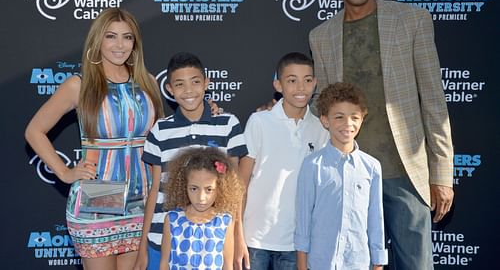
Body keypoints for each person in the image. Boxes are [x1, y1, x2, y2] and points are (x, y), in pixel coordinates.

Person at [308, 0, 454, 269]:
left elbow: (434, 101)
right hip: (351, 175)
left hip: (405, 172)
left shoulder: (411, 20)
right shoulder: (321, 36)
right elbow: (322, 104)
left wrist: (442, 173)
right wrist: (276, 109)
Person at [25, 8, 165, 269]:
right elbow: (34, 131)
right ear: (98, 40)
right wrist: (65, 173)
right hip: (100, 194)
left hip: (144, 198)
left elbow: (163, 138)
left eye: (127, 37)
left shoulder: (149, 84)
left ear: (135, 43)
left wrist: (208, 112)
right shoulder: (80, 85)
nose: (120, 45)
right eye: (111, 36)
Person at [134, 52, 248, 270]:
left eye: (195, 82)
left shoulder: (228, 124)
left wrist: (238, 236)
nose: (188, 91)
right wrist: (142, 248)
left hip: (213, 245)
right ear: (169, 89)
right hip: (161, 242)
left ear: (206, 83)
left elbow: (233, 190)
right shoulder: (160, 130)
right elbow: (155, 189)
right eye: (179, 84)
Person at [239, 52, 329, 269]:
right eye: (292, 80)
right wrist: (236, 233)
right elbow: (241, 182)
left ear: (315, 84)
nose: (300, 88)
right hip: (255, 239)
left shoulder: (321, 128)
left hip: (297, 243)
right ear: (278, 85)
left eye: (307, 80)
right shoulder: (259, 121)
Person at [295, 82, 387, 270]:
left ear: (362, 119)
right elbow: (303, 220)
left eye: (354, 117)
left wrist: (378, 263)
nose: (348, 124)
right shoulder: (312, 165)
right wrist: (302, 265)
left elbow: (375, 220)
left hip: (358, 263)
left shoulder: (372, 167)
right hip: (321, 263)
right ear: (325, 120)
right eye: (339, 117)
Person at [159, 147, 244, 270]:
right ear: (184, 186)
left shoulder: (225, 222)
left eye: (209, 189)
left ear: (220, 188)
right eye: (194, 188)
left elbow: (227, 266)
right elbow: (164, 264)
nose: (201, 197)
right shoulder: (172, 220)